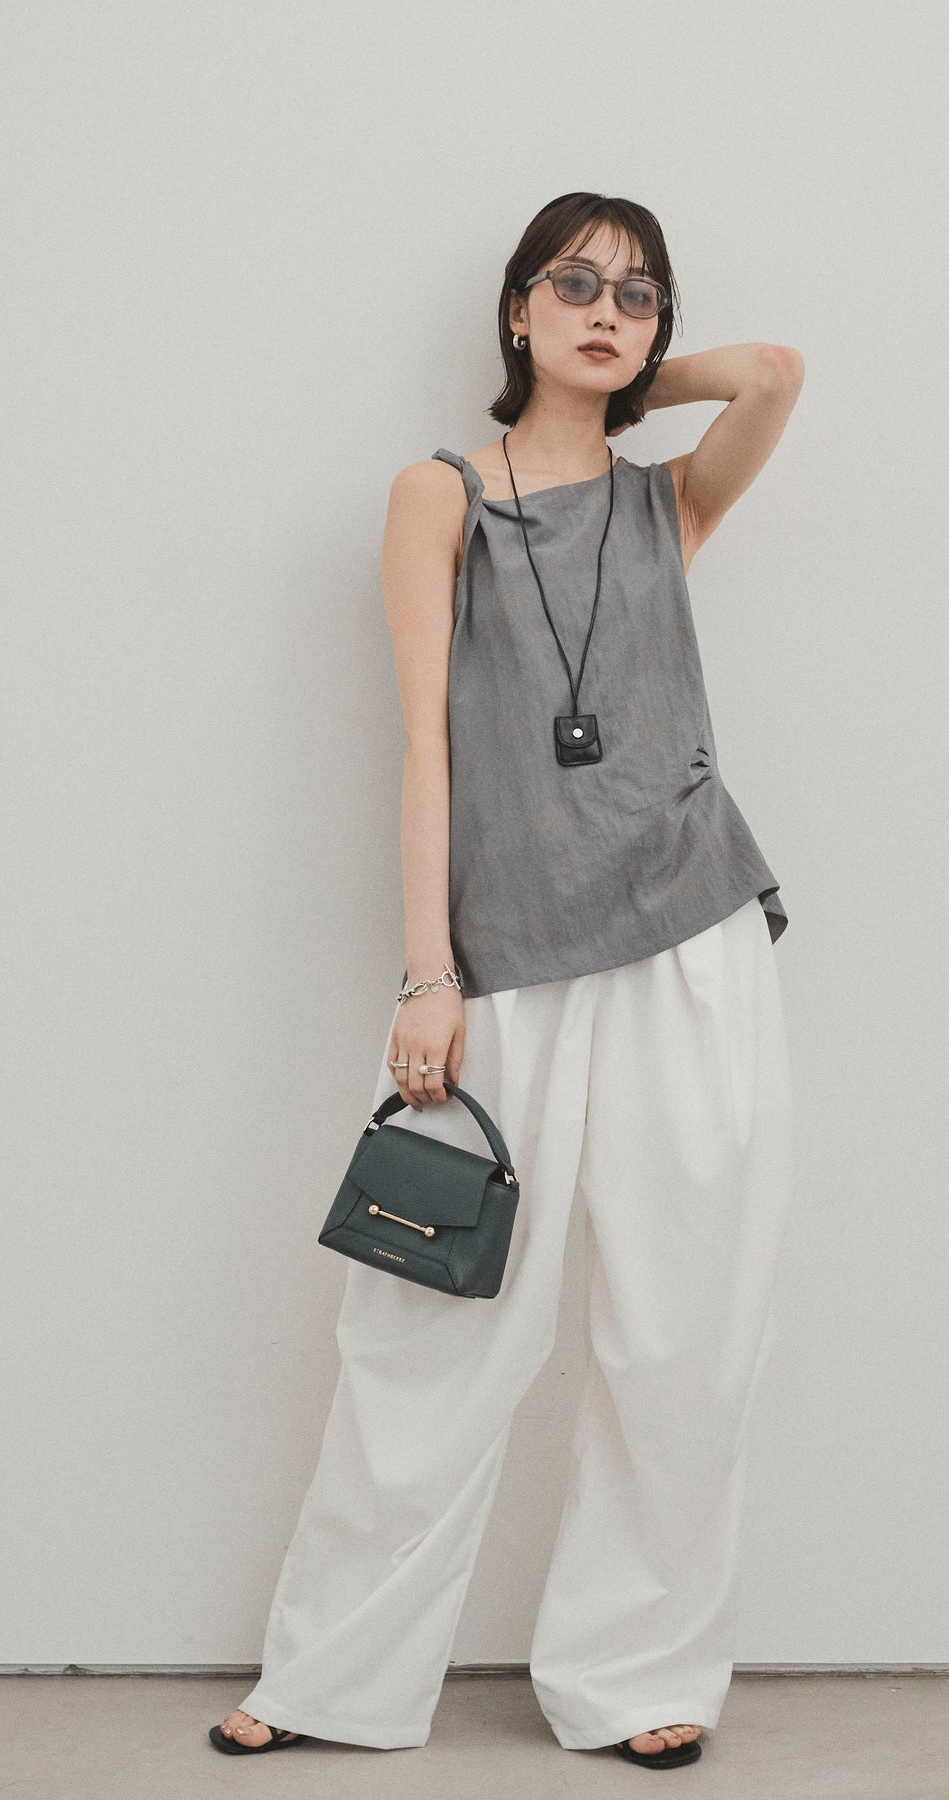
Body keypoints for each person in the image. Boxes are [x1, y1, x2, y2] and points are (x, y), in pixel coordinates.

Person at [211, 190, 804, 1771]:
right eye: (573, 285)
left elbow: (772, 373)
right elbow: (425, 744)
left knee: (682, 1332)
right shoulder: (440, 494)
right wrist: (429, 975)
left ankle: (635, 1674)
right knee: (429, 1327)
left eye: (638, 295)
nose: (607, 311)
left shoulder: (664, 505)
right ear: (514, 307)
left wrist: (627, 386)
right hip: (508, 958)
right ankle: (331, 1675)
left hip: (690, 939)